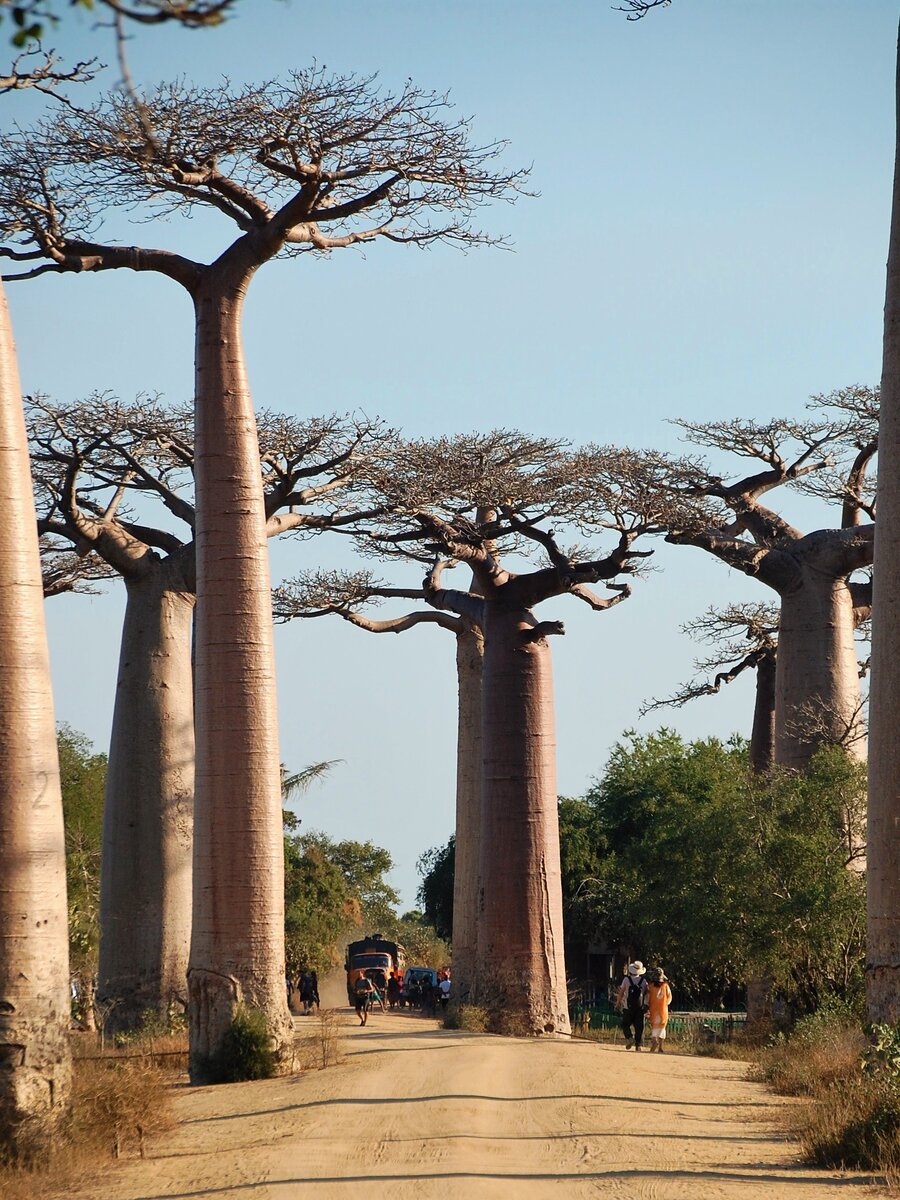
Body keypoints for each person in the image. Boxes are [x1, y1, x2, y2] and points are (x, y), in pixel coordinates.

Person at [615, 960, 649, 1050]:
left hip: (628, 1007)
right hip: (639, 1008)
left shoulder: (626, 980)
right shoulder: (644, 981)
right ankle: (638, 1045)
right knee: (639, 1027)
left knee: (625, 1024)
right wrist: (646, 1005)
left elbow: (621, 993)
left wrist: (618, 1003)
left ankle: (629, 1038)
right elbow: (646, 993)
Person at [647, 967, 672, 1053]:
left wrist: (646, 1006)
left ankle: (654, 1041)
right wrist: (665, 1004)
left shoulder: (650, 987)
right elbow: (669, 998)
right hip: (663, 1010)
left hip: (653, 1009)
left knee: (655, 1027)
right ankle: (660, 1047)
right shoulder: (665, 986)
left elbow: (647, 998)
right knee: (662, 1028)